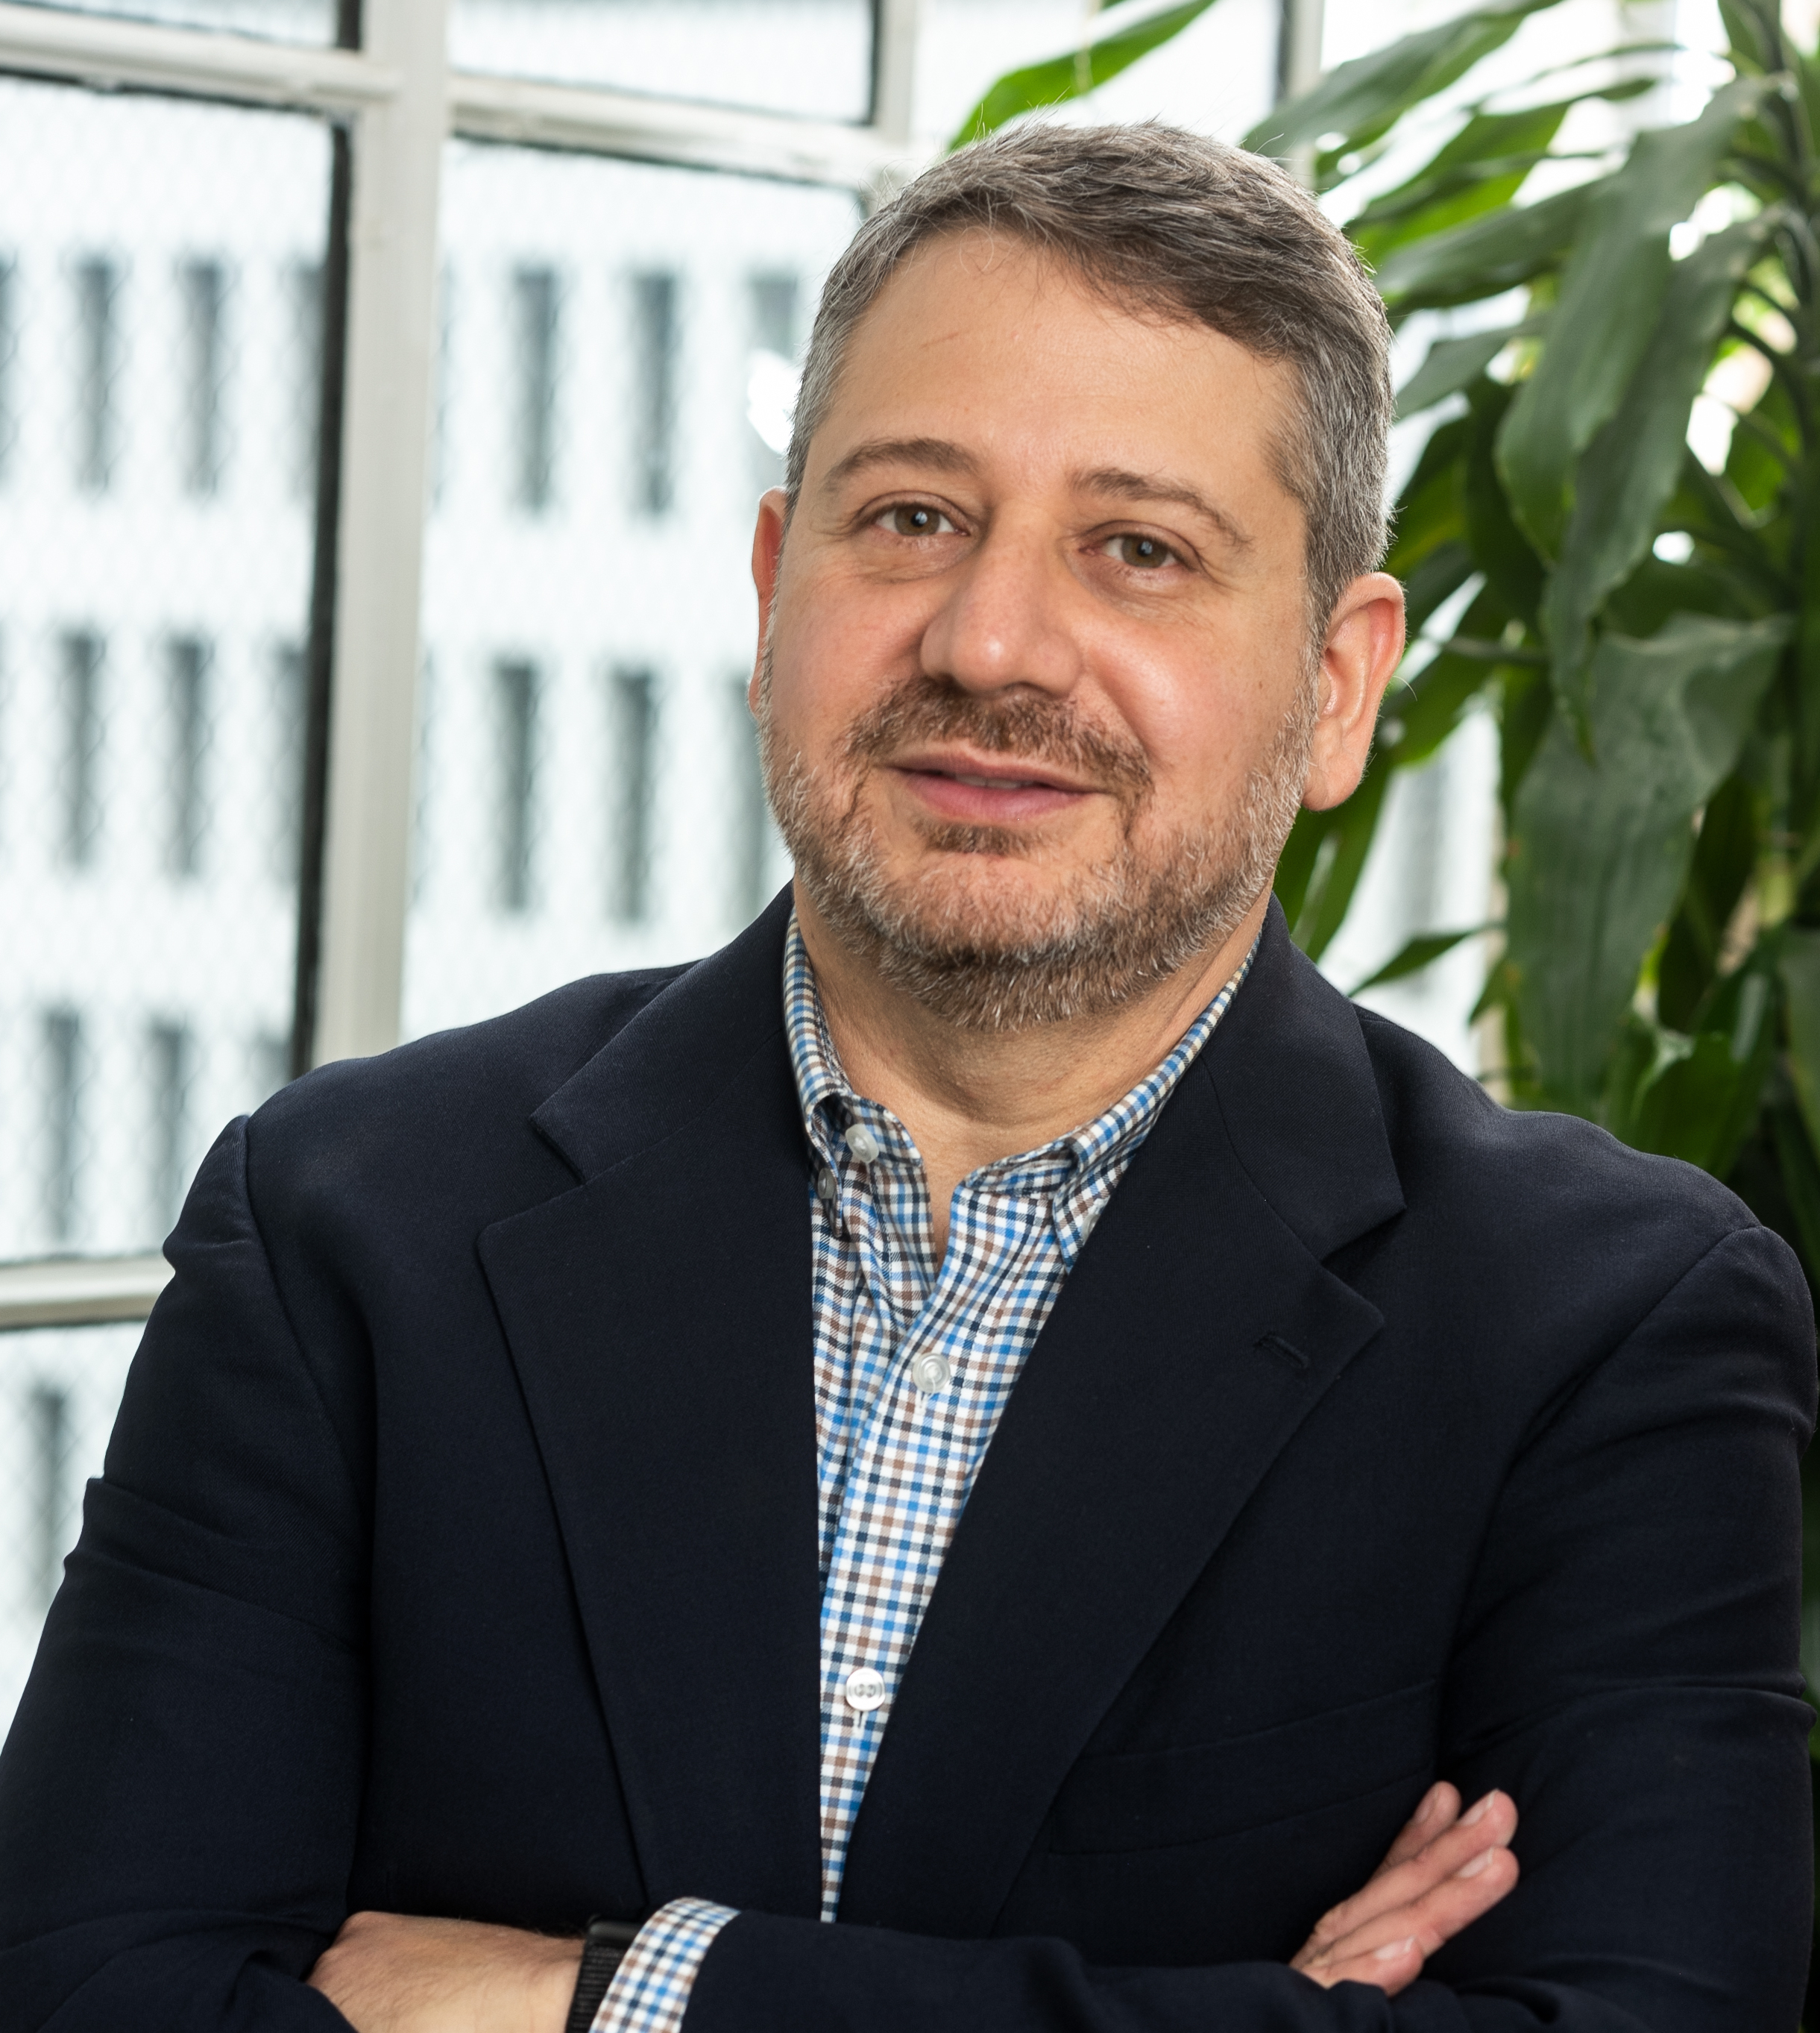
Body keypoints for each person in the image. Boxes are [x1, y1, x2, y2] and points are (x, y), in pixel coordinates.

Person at [0, 121, 1812, 2033]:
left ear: (1338, 685)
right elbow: (79, 1991)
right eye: (914, 518)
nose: (994, 642)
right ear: (778, 586)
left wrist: (624, 2000)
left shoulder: (1608, 1323)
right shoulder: (347, 1218)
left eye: (1140, 548)